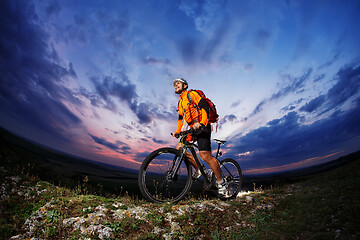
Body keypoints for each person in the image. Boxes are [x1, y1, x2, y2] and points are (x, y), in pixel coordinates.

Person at [172, 77, 228, 196]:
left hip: (203, 125)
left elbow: (204, 107)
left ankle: (221, 182)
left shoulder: (192, 94)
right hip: (192, 128)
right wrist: (177, 131)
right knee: (179, 148)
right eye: (174, 84)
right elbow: (181, 119)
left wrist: (202, 123)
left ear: (185, 85)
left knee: (205, 156)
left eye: (178, 83)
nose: (176, 85)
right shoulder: (180, 102)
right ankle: (199, 169)